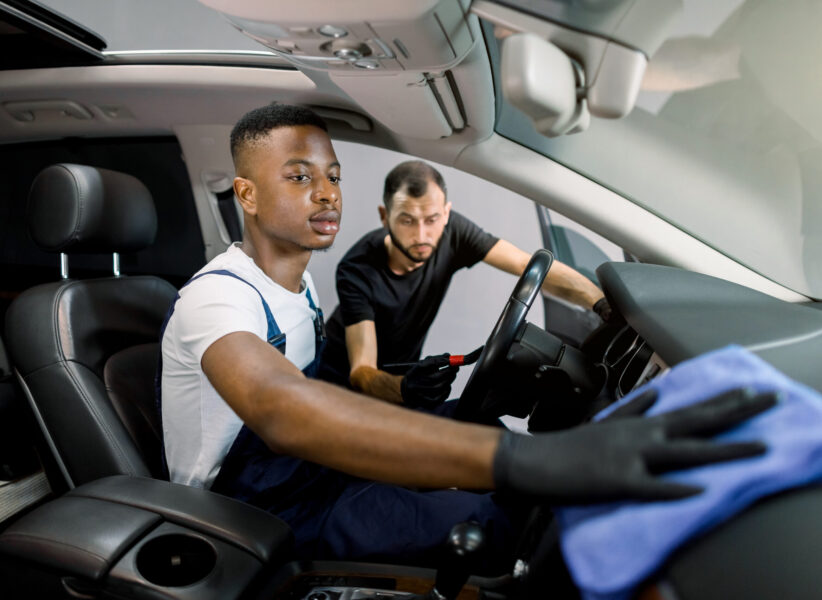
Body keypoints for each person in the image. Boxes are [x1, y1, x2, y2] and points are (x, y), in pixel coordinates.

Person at [159, 102, 772, 567]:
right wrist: (535, 460)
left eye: (334, 176)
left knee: (480, 429)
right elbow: (279, 409)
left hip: (312, 468)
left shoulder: (299, 287)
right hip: (262, 508)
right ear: (247, 194)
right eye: (298, 177)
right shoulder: (218, 296)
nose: (326, 193)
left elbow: (323, 390)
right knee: (489, 514)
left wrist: (597, 299)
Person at [317, 160, 612, 407]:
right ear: (385, 216)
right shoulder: (356, 270)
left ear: (446, 213)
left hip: (404, 385)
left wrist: (601, 304)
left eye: (432, 219)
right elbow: (362, 371)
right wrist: (406, 389)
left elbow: (528, 266)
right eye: (407, 220)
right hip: (341, 391)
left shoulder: (453, 232)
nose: (422, 235)